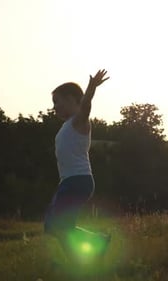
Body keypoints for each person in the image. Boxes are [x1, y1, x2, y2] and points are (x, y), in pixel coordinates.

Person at [44, 69, 111, 266]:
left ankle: (78, 261)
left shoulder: (79, 122)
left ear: (73, 100)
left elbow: (86, 107)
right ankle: (98, 241)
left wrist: (90, 88)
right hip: (69, 182)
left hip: (78, 181)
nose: (54, 107)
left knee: (60, 226)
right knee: (52, 225)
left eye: (57, 101)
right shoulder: (66, 126)